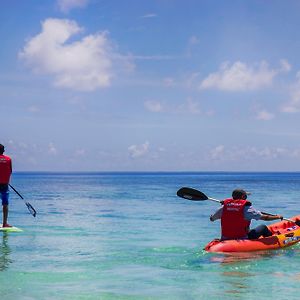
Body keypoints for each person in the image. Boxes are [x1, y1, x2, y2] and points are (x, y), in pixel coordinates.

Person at [209, 189, 283, 240]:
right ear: (243, 197)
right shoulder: (247, 209)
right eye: (245, 196)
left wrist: (225, 205)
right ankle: (272, 239)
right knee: (263, 227)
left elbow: (212, 219)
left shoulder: (223, 208)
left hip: (225, 237)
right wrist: (278, 217)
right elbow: (265, 218)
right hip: (243, 238)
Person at [0, 144, 12, 228]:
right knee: (5, 204)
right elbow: (10, 171)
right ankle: (4, 223)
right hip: (4, 184)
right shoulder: (8, 159)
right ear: (3, 151)